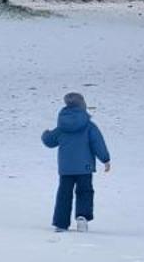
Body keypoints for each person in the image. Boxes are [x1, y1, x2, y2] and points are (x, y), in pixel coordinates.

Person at [41, 91, 111, 232]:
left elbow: (50, 141)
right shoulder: (89, 126)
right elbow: (97, 143)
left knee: (64, 194)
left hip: (66, 168)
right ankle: (82, 218)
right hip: (85, 168)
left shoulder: (62, 126)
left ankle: (61, 223)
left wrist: (45, 134)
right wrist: (105, 159)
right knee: (85, 191)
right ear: (83, 105)